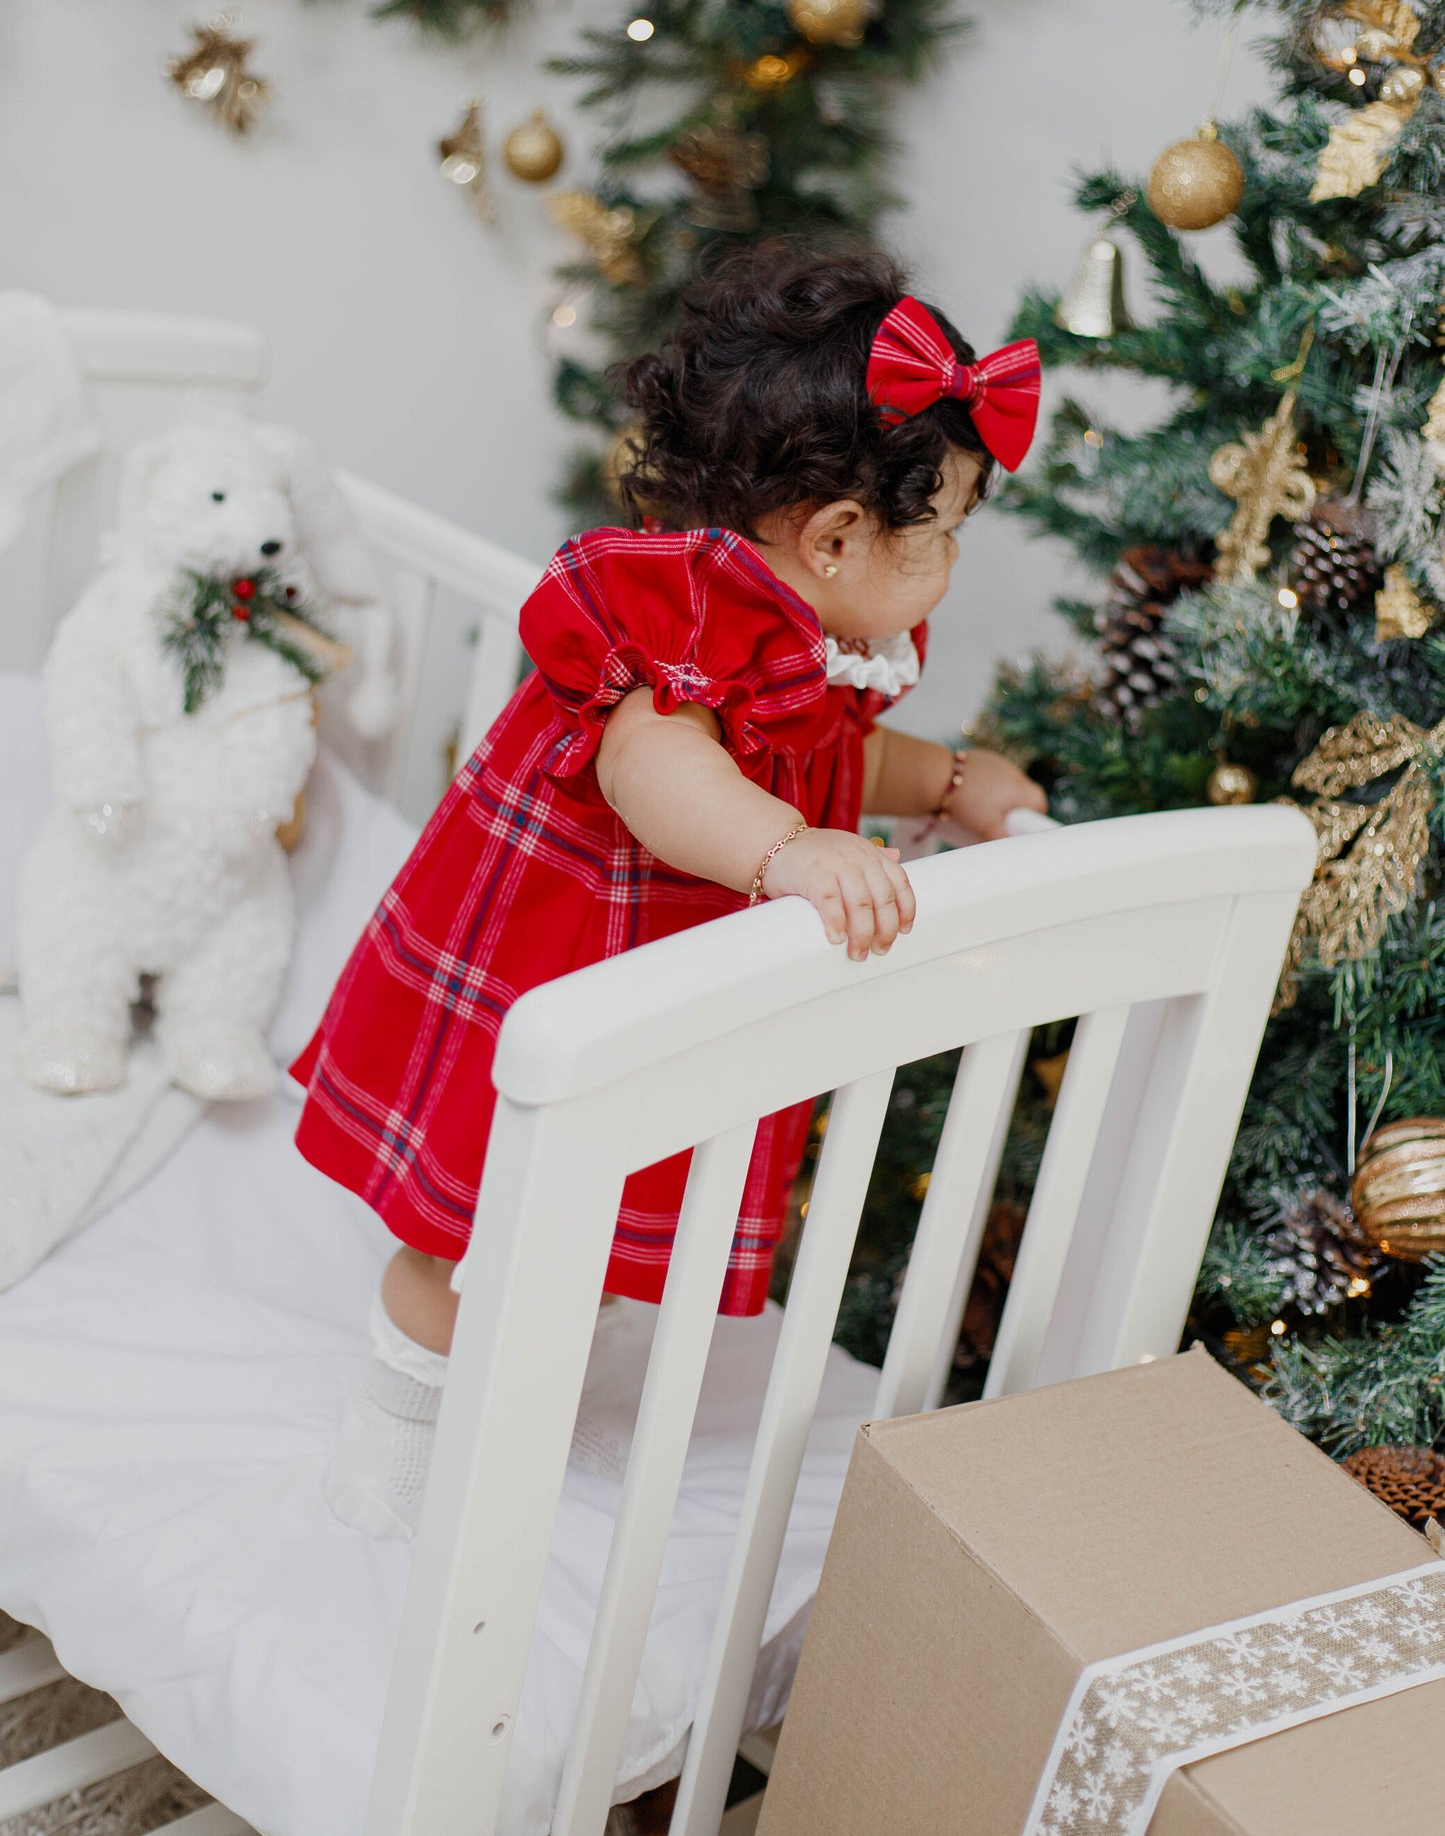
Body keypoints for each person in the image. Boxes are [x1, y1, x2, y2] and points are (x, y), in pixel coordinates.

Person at [292, 243, 1048, 1536]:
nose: (953, 560)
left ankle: (537, 1374)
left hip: (646, 975)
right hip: (545, 959)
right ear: (837, 534)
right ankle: (397, 1431)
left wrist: (948, 778)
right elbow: (657, 768)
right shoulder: (680, 614)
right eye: (950, 528)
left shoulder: (807, 633)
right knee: (460, 1233)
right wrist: (789, 853)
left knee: (589, 1202)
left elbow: (822, 750)